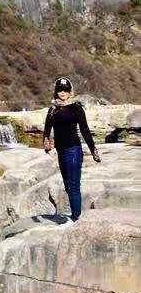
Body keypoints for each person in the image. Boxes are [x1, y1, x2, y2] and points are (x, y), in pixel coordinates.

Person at [43, 77, 100, 221]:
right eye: (60, 90)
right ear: (56, 92)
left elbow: (85, 130)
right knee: (68, 185)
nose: (62, 93)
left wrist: (93, 150)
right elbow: (47, 129)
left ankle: (76, 218)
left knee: (74, 185)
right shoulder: (53, 109)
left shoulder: (76, 107)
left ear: (70, 92)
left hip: (74, 150)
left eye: (65, 90)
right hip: (61, 151)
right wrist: (46, 143)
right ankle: (77, 214)